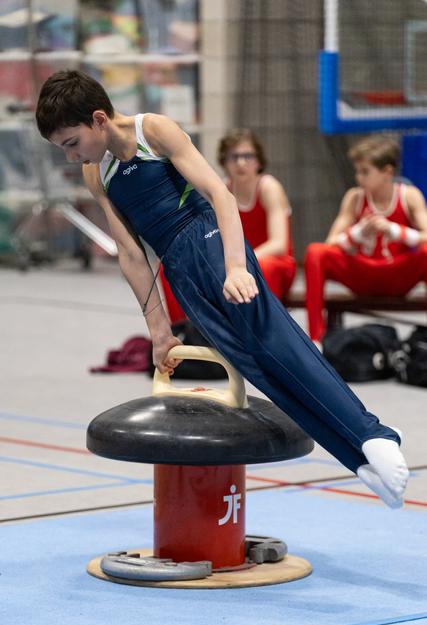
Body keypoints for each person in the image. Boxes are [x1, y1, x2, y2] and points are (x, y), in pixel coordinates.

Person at [36, 70, 409, 509]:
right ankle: (356, 457)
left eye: (71, 143)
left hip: (209, 241)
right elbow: (131, 253)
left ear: (99, 119)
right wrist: (159, 330)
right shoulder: (95, 173)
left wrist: (235, 267)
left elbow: (220, 195)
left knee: (276, 341)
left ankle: (373, 434)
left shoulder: (153, 131)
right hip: (179, 269)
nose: (70, 156)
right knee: (256, 365)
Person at [161, 128, 296, 323]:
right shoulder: (221, 192)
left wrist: (241, 264)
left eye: (248, 156)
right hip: (240, 264)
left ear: (259, 161)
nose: (241, 163)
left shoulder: (269, 188)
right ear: (224, 162)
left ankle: (266, 331)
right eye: (234, 157)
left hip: (275, 265)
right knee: (171, 268)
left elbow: (279, 244)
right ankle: (185, 330)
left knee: (262, 268)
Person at [305, 134, 427, 343]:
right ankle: (316, 339)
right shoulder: (355, 197)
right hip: (364, 275)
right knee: (316, 252)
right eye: (357, 171)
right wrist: (359, 233)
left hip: (397, 276)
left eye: (365, 172)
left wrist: (394, 231)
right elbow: (330, 243)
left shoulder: (409, 195)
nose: (358, 178)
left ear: (387, 172)